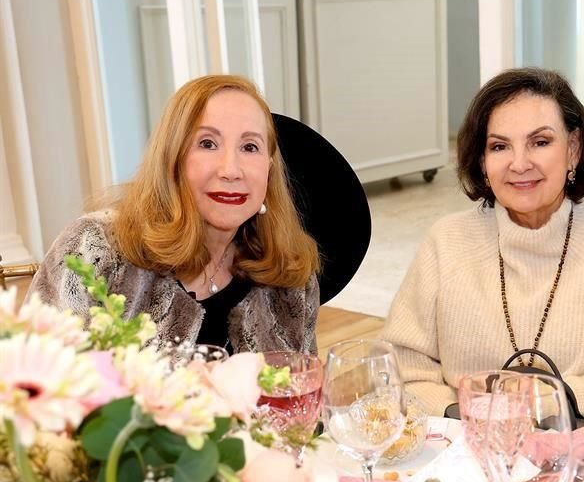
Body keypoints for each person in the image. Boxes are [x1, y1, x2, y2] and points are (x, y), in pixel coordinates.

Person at [381, 68, 584, 428]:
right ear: (482, 162)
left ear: (573, 149)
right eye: (499, 146)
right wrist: (464, 417)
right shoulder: (446, 243)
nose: (519, 164)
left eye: (540, 142)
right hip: (466, 456)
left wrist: (551, 399)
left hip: (583, 466)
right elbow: (397, 370)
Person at [30, 75, 370, 354]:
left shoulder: (289, 278)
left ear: (268, 168)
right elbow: (40, 395)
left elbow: (300, 410)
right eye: (207, 144)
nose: (231, 169)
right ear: (173, 159)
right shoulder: (97, 250)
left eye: (249, 147)